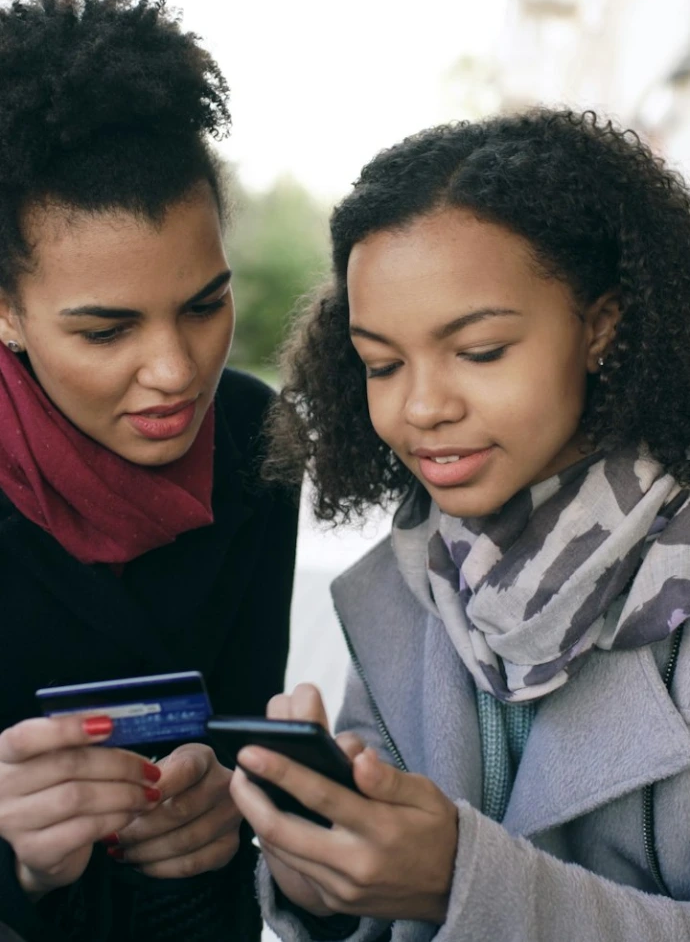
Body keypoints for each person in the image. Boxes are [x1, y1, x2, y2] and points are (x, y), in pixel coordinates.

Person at [230, 110, 690, 941]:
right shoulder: (410, 583)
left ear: (601, 325)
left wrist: (463, 882)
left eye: (478, 351)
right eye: (381, 363)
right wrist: (322, 879)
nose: (421, 407)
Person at [0, 0, 298, 942]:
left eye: (206, 305)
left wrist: (230, 811)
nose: (176, 373)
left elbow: (245, 725)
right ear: (6, 311)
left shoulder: (258, 437)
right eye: (107, 328)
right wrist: (19, 859)